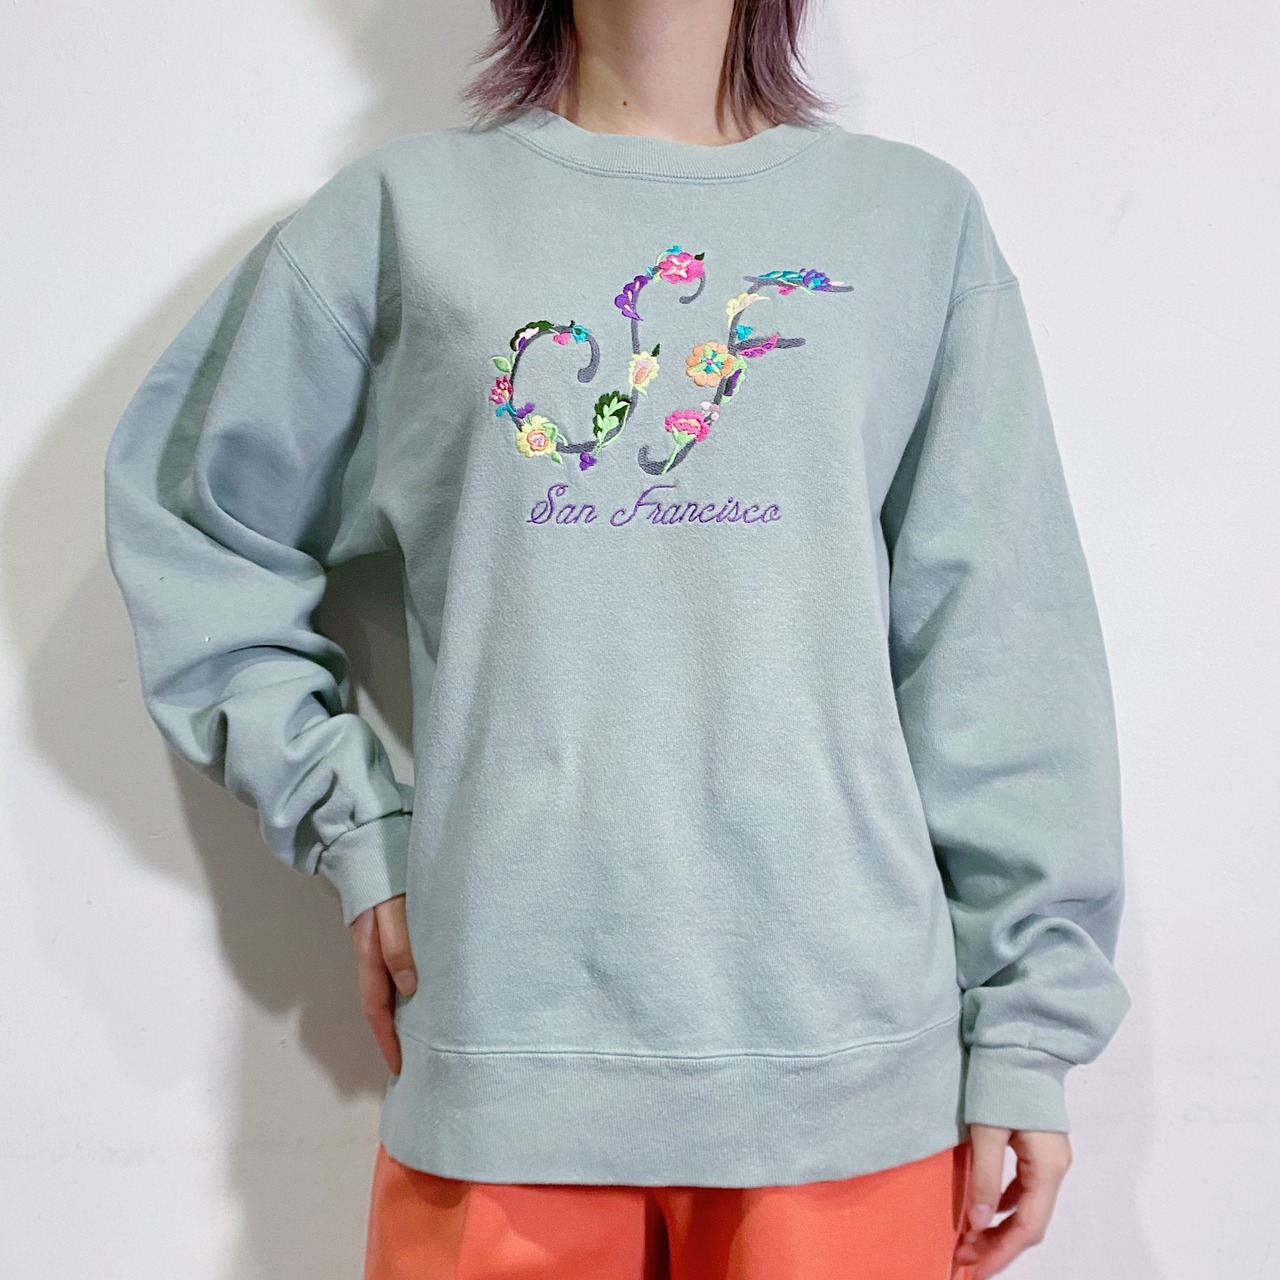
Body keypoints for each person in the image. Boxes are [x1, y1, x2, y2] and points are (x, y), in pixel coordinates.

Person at [102, 1, 1132, 1276]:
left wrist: (1026, 1024)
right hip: (506, 1051)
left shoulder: (911, 224)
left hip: (845, 1068)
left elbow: (996, 635)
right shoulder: (404, 219)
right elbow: (194, 523)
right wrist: (353, 823)